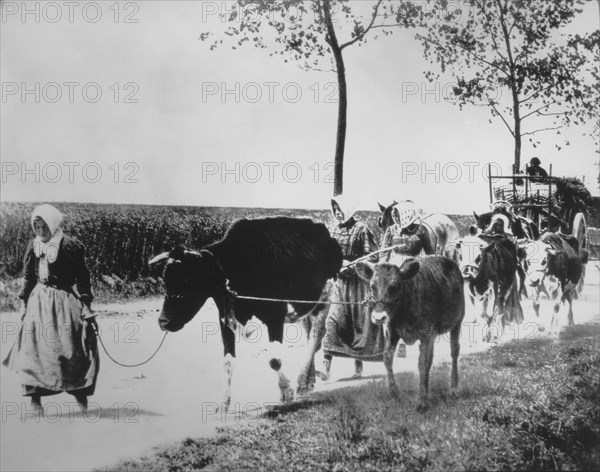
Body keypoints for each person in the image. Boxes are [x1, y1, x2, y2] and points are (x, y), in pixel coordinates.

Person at [2, 204, 99, 416]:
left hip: (64, 301)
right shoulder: (33, 246)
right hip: (39, 301)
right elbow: (29, 277)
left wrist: (86, 305)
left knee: (72, 350)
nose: (40, 230)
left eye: (44, 225)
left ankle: (81, 400)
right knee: (32, 351)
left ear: (53, 224)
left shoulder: (69, 246)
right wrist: (24, 303)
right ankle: (35, 403)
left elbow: (83, 277)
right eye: (36, 226)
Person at [319, 196, 382, 380]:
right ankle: (325, 367)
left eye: (340, 209)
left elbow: (374, 257)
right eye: (335, 209)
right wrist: (334, 263)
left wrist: (353, 264)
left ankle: (358, 367)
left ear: (348, 209)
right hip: (340, 284)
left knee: (358, 326)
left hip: (359, 285)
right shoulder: (334, 230)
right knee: (333, 321)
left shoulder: (361, 229)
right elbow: (328, 256)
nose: (338, 213)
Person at [379, 201, 434, 357]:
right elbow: (383, 253)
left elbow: (430, 252)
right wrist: (381, 269)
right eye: (394, 215)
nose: (396, 218)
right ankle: (391, 339)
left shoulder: (421, 229)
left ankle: (410, 338)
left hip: (413, 268)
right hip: (394, 267)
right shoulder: (391, 230)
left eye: (399, 214)